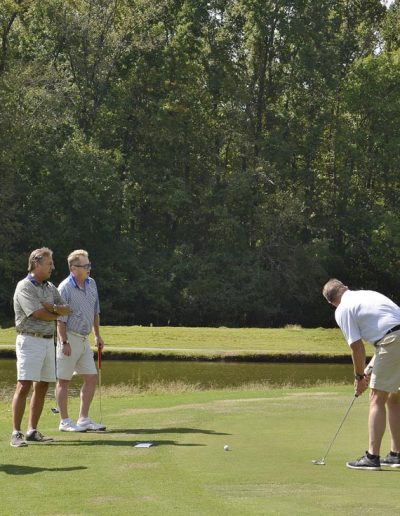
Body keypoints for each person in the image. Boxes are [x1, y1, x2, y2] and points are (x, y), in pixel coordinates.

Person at [322, 278, 400, 470]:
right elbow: (386, 337)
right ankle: (396, 454)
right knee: (394, 398)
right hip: (393, 340)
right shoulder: (367, 294)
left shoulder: (343, 309)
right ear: (345, 288)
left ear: (331, 302)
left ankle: (372, 458)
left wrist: (358, 377)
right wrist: (367, 371)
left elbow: (357, 348)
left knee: (376, 398)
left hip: (392, 342)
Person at [11, 247, 71, 447]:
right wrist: (53, 312)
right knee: (24, 385)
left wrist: (51, 307)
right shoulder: (24, 286)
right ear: (36, 264)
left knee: (43, 386)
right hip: (29, 340)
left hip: (48, 341)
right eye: (49, 263)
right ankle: (16, 433)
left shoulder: (50, 287)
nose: (52, 267)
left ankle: (32, 431)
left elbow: (66, 309)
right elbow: (38, 313)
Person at [55, 249, 106, 432]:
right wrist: (64, 342)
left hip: (84, 339)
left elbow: (95, 312)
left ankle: (83, 419)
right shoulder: (64, 288)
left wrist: (97, 335)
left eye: (89, 264)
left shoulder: (92, 284)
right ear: (73, 268)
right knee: (64, 380)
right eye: (85, 266)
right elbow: (60, 319)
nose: (88, 268)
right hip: (69, 337)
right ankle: (65, 421)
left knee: (91, 378)